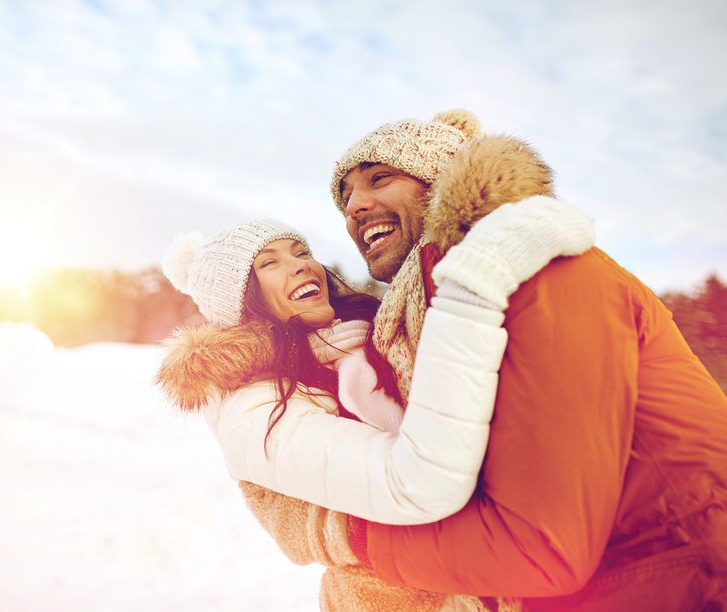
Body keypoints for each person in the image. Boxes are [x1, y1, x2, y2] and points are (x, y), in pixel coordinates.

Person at [250, 108, 727, 610]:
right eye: (344, 199)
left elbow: (543, 546)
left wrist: (349, 538)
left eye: (380, 178)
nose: (355, 207)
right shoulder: (436, 314)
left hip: (683, 580)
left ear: (439, 180)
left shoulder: (540, 271)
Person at [156, 207, 593, 610]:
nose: (302, 264)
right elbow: (414, 481)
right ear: (240, 302)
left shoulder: (367, 341)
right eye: (270, 262)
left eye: (301, 251)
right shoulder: (252, 407)